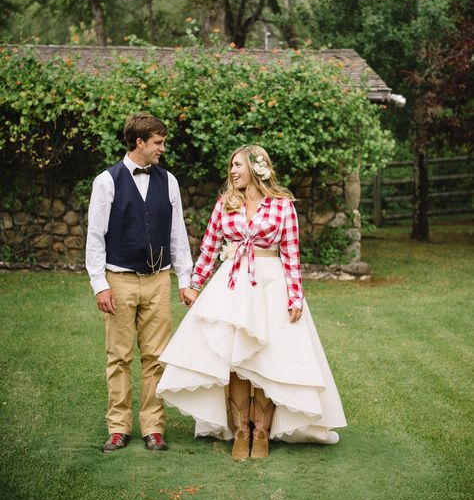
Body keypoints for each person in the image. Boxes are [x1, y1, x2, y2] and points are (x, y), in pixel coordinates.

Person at [157, 145, 346, 460]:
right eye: (231, 165)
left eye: (237, 165)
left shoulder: (283, 206)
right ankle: (241, 431)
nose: (232, 171)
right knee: (234, 362)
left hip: (271, 285)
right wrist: (194, 284)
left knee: (266, 359)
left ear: (257, 168)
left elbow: (292, 255)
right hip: (232, 286)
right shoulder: (225, 204)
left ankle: (262, 433)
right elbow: (208, 247)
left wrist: (295, 296)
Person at [86, 112, 192, 453]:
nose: (162, 148)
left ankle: (153, 428)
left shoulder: (169, 181)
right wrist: (100, 283)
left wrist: (184, 279)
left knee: (157, 357)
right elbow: (95, 237)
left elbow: (178, 235)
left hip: (159, 279)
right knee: (118, 357)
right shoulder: (106, 181)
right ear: (139, 143)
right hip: (119, 280)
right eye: (158, 143)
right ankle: (118, 428)